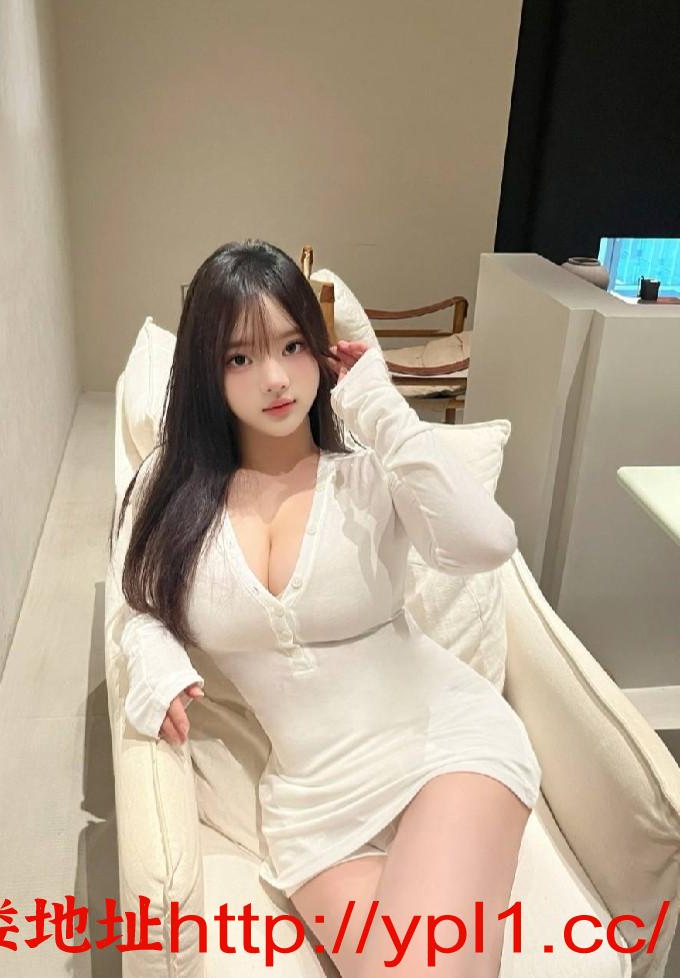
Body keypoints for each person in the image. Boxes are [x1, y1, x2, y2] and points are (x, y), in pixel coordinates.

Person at [110, 238, 542, 977]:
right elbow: (137, 600)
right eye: (240, 357)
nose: (276, 378)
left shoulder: (370, 476)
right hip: (314, 801)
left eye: (292, 346)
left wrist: (383, 406)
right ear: (207, 371)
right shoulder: (169, 492)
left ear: (321, 351)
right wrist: (153, 657)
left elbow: (486, 543)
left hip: (443, 748)